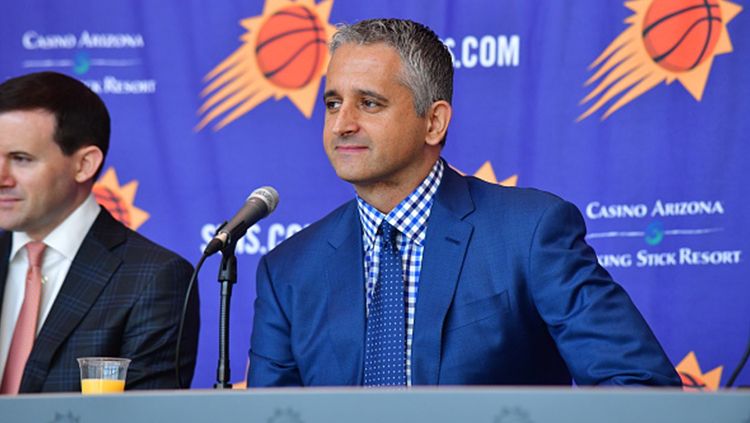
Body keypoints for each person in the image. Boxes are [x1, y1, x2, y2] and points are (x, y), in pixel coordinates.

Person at [247, 19, 681, 387]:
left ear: (433, 122)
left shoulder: (530, 233)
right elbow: (271, 416)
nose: (342, 124)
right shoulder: (287, 271)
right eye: (333, 103)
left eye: (369, 103)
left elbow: (639, 384)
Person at [0, 71, 199, 393]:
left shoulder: (153, 278)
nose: (2, 177)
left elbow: (144, 418)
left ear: (84, 165)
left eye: (20, 159)